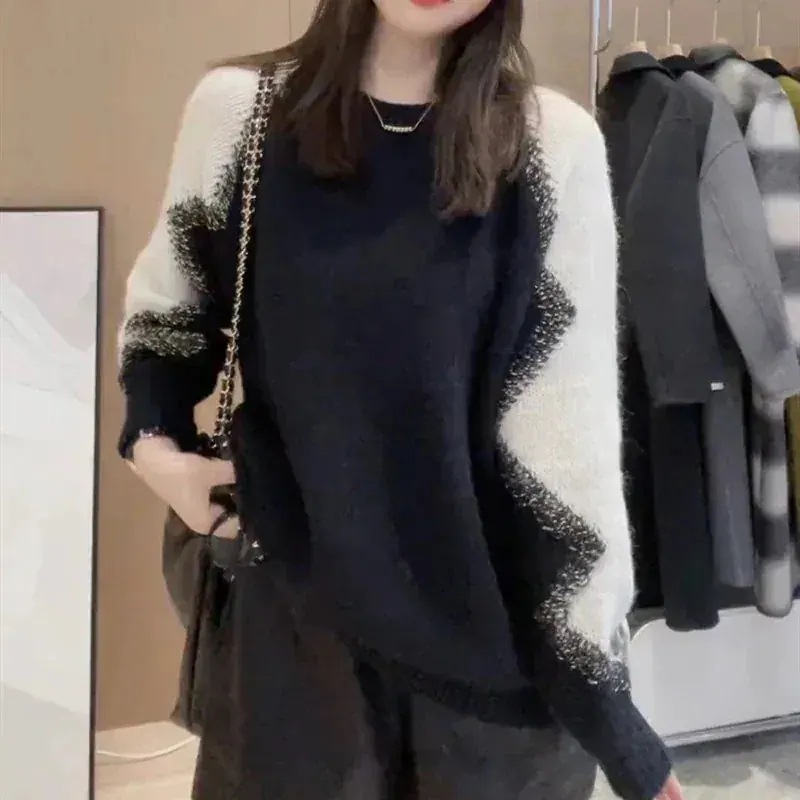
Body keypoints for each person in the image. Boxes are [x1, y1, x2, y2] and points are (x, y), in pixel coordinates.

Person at [118, 1, 685, 798]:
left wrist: (605, 704)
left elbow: (569, 437)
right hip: (295, 633)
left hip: (497, 652)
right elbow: (169, 316)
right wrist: (158, 453)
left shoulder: (551, 144)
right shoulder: (240, 114)